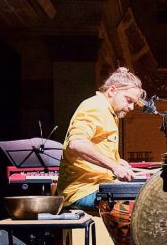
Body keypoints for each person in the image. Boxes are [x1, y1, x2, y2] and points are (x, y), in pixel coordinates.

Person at [56, 67, 148, 210]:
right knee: (149, 202)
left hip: (98, 185)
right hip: (82, 190)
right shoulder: (95, 107)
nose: (131, 107)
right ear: (112, 91)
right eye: (128, 100)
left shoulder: (110, 112)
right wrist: (114, 166)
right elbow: (77, 143)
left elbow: (97, 146)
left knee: (149, 195)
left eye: (134, 103)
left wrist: (118, 162)